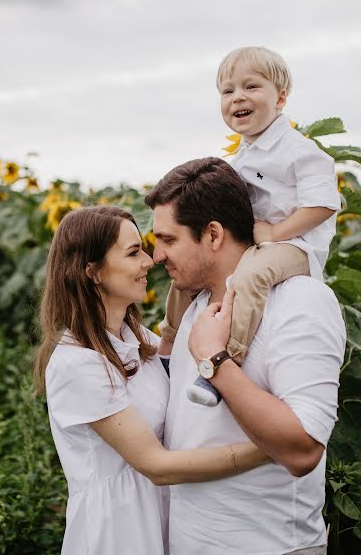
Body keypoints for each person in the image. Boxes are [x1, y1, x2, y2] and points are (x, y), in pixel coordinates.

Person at [33, 205, 269, 555]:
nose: (149, 260)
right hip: (119, 532)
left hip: (162, 515)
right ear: (92, 271)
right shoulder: (77, 364)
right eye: (133, 253)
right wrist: (271, 448)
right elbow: (156, 465)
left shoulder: (134, 337)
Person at [145, 157, 346, 555]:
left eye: (168, 240)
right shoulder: (197, 303)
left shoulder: (299, 301)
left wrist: (216, 362)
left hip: (269, 546)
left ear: (213, 234)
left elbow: (304, 449)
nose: (157, 256)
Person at [157, 46, 341, 407]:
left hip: (295, 247)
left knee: (249, 279)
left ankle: (226, 360)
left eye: (251, 87)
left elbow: (322, 204)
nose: (238, 97)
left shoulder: (301, 151)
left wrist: (276, 233)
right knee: (186, 275)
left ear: (281, 98)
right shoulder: (242, 156)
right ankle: (168, 344)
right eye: (228, 91)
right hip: (257, 244)